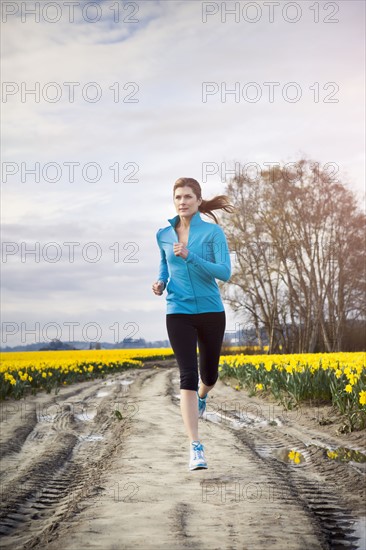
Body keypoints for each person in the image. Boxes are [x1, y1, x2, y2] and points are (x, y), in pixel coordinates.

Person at [152, 177, 235, 471]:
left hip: (211, 311)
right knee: (187, 375)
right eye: (178, 197)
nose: (182, 202)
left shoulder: (213, 233)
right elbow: (164, 264)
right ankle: (195, 447)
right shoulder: (163, 234)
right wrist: (161, 282)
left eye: (188, 197)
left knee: (209, 375)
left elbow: (224, 272)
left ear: (199, 201)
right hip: (178, 311)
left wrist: (191, 256)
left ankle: (203, 396)